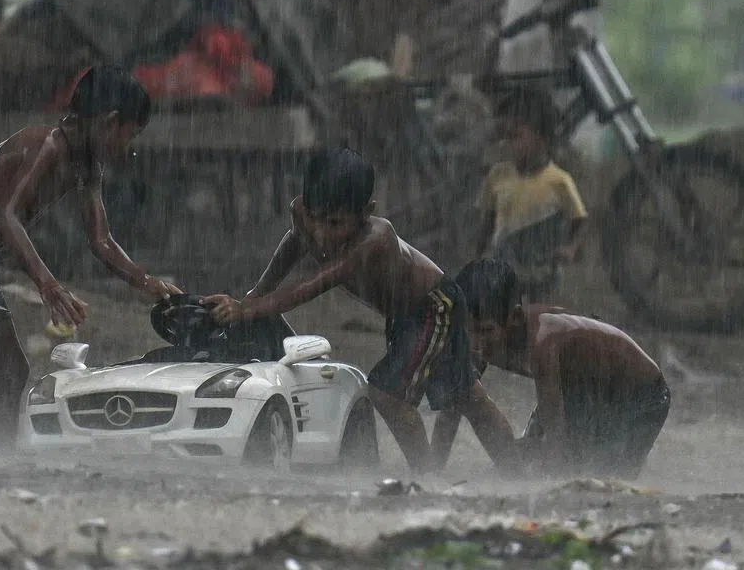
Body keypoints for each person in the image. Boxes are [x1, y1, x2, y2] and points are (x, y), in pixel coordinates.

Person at [0, 65, 181, 448]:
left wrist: (146, 282)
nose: (130, 147)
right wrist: (48, 286)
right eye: (130, 135)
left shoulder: (88, 166)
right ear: (109, 122)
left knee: (13, 370)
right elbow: (4, 215)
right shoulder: (46, 144)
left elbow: (101, 240)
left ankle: (1, 454)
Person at [201, 147, 514, 472]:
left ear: (366, 213)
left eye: (335, 223)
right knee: (467, 396)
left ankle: (428, 476)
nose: (321, 233)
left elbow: (311, 285)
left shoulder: (374, 240)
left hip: (435, 306)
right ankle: (516, 468)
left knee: (388, 392)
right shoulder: (301, 212)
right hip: (403, 316)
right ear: (303, 203)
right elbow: (294, 244)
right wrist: (255, 294)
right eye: (314, 218)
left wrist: (246, 309)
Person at [438, 258, 671, 478]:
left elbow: (556, 439)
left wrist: (546, 488)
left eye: (487, 331)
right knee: (523, 455)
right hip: (582, 388)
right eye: (470, 330)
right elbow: (456, 401)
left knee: (606, 474)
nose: (477, 343)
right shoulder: (477, 340)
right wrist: (433, 469)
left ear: (516, 317)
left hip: (644, 396)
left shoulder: (542, 343)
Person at [475, 86, 587, 301]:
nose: (507, 144)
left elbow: (580, 220)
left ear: (543, 139)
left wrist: (570, 248)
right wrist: (477, 259)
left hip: (542, 271)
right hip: (504, 268)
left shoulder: (559, 181)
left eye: (515, 136)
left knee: (539, 316)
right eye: (504, 137)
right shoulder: (497, 176)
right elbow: (487, 221)